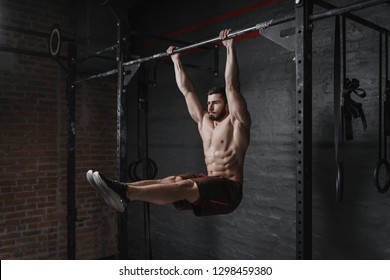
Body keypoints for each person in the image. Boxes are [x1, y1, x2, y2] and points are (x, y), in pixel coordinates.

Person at [86, 29, 251, 216]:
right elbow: (187, 91)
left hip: (228, 191)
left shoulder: (236, 122)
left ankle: (126, 193)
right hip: (210, 181)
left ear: (228, 106)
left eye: (216, 103)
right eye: (208, 103)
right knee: (173, 180)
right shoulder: (203, 121)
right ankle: (120, 187)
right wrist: (176, 61)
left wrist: (230, 47)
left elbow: (232, 86)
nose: (210, 107)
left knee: (185, 187)